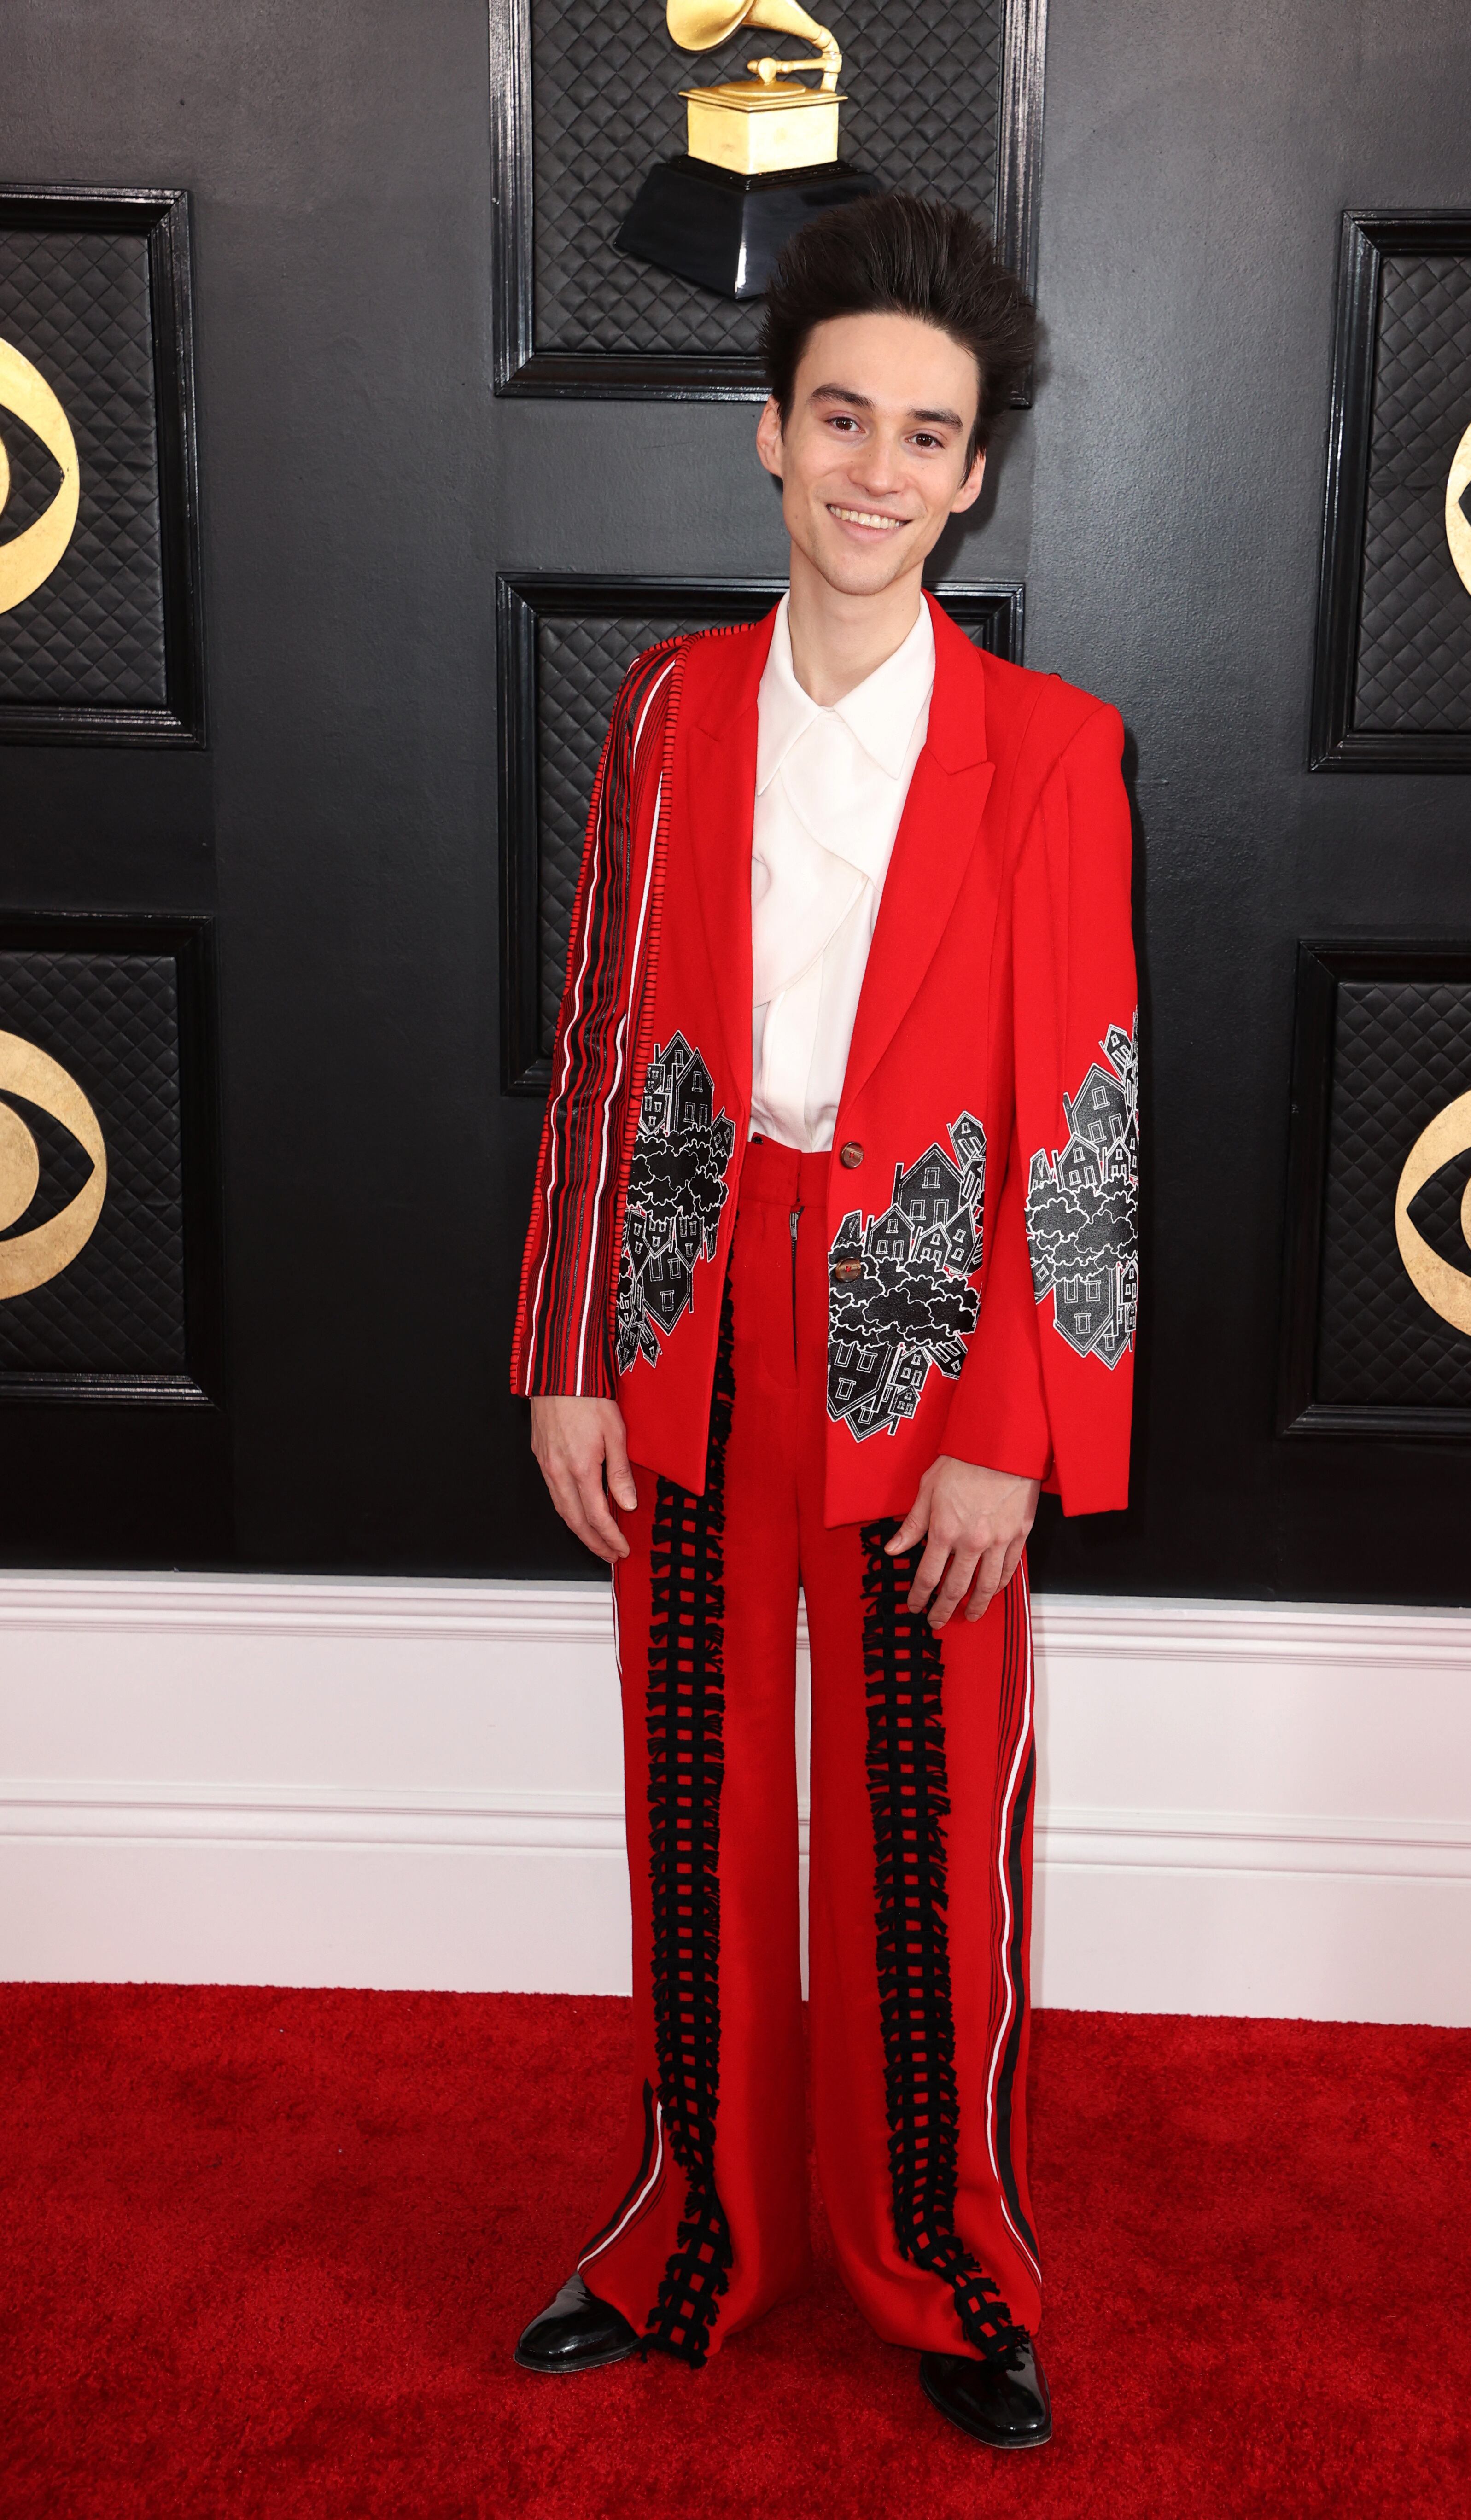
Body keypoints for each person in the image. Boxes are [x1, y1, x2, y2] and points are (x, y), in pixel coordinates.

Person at [508, 192, 1137, 2451]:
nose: (878, 468)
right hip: (690, 1309)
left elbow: (1083, 1104)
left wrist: (1016, 1425)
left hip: (932, 1332)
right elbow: (595, 1038)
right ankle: (696, 2237)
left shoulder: (1056, 751)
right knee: (696, 1799)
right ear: (772, 438)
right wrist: (573, 1339)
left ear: (977, 475)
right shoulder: (668, 715)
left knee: (920, 1815)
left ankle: (946, 2267)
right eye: (841, 416)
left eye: (929, 434)